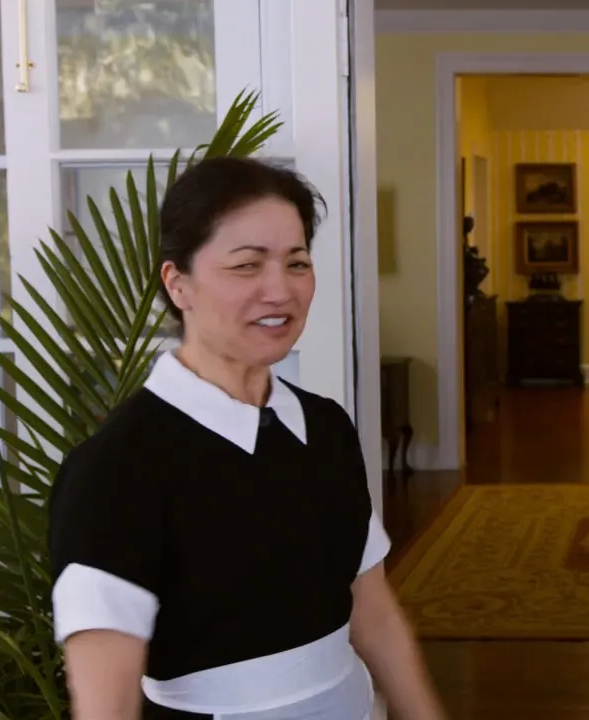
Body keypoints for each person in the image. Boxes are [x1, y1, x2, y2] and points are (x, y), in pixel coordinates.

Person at [48, 156, 448, 720]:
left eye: (297, 262)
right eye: (246, 266)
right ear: (178, 283)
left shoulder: (326, 427)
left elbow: (374, 615)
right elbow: (105, 706)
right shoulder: (115, 469)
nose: (280, 290)